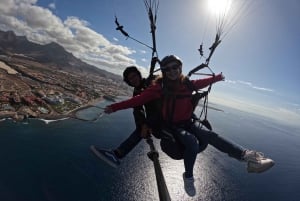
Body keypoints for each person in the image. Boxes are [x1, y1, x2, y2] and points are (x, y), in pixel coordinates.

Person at [104, 55, 275, 196]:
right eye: (168, 69)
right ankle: (189, 177)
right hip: (173, 126)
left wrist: (216, 78)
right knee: (192, 142)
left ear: (180, 68)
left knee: (210, 135)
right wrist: (114, 107)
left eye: (175, 67)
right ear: (163, 71)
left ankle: (247, 157)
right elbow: (137, 101)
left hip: (189, 122)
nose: (172, 71)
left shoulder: (187, 84)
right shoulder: (158, 87)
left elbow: (202, 83)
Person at [91, 66, 160, 168]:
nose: (133, 79)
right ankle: (117, 154)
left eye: (134, 76)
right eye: (130, 79)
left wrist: (147, 124)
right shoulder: (137, 90)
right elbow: (137, 110)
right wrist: (142, 125)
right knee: (140, 128)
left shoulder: (150, 83)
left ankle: (117, 154)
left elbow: (158, 107)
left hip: (162, 117)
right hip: (154, 120)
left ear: (139, 75)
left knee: (141, 127)